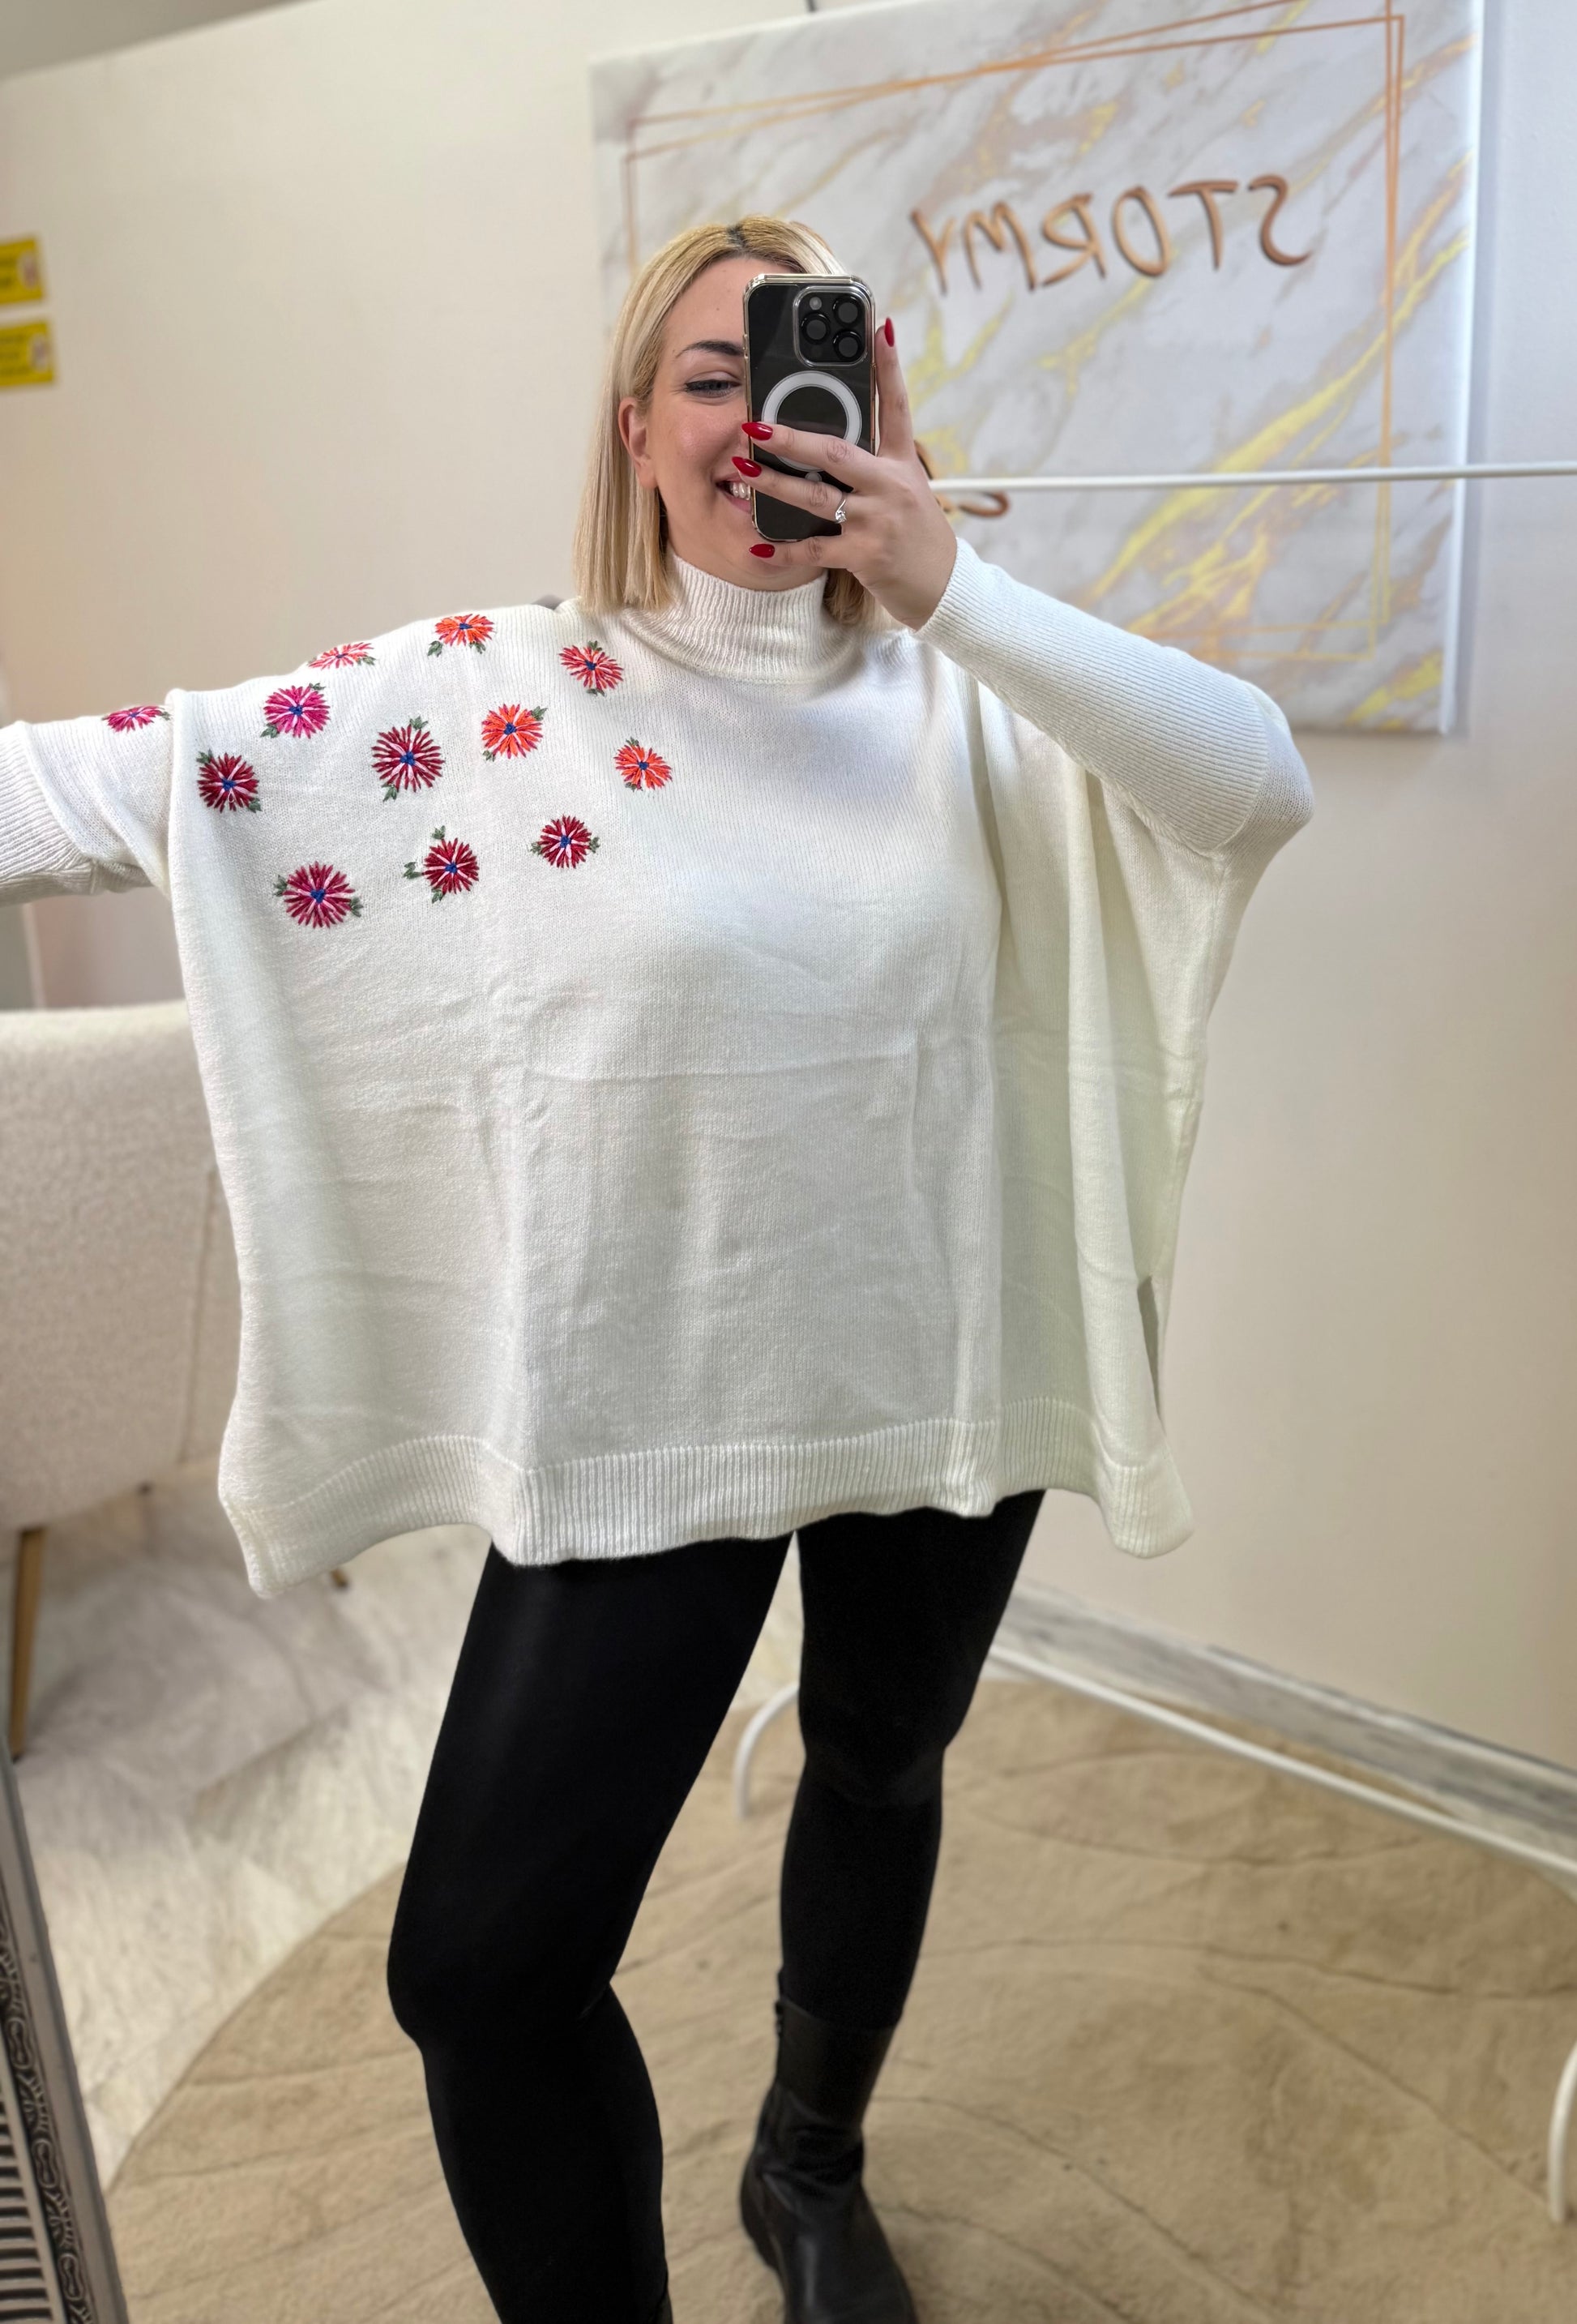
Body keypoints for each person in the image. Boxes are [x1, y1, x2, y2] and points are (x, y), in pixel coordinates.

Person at [0, 212, 1313, 2324]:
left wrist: (946, 580)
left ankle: (808, 2169)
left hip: (938, 1370)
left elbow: (1252, 787)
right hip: (651, 1401)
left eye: (814, 368)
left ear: (879, 405)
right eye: (713, 374)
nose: (762, 414)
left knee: (878, 1761)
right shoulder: (493, 695)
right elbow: (89, 787)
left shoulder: (977, 692)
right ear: (637, 428)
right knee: (481, 1965)